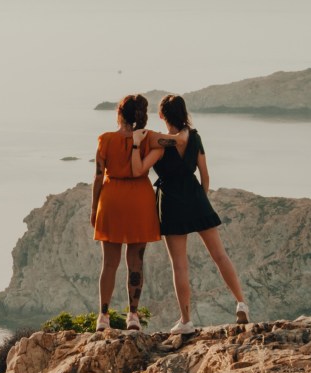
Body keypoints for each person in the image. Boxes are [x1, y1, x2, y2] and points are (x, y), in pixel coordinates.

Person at [130, 93, 249, 334]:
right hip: (196, 197)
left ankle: (185, 320)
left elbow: (139, 169)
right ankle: (241, 302)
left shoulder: (159, 142)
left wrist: (135, 142)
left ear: (162, 115)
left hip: (171, 202)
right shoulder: (194, 137)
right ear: (184, 113)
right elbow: (205, 174)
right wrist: (201, 200)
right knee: (220, 256)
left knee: (180, 266)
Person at [90, 95, 184, 332]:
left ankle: (103, 317)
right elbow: (177, 142)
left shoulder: (105, 139)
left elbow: (99, 176)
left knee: (109, 263)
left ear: (119, 113)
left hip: (111, 201)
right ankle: (132, 316)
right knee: (136, 263)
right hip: (139, 202)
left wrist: (94, 207)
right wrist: (184, 130)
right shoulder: (149, 137)